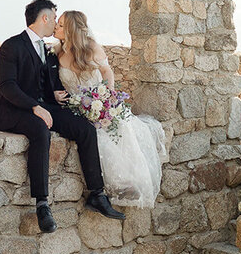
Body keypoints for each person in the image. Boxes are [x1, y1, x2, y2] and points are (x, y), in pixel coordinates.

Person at [0, 0, 126, 234]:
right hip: (14, 111)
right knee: (40, 129)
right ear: (45, 17)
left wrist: (53, 94)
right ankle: (42, 204)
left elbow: (47, 82)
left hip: (44, 106)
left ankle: (97, 194)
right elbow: (7, 86)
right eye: (55, 17)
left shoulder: (48, 50)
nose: (56, 23)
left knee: (85, 128)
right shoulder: (12, 46)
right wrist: (35, 106)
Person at [53, 10, 167, 209]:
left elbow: (106, 71)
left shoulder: (91, 48)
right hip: (77, 107)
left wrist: (107, 96)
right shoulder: (57, 52)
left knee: (113, 134)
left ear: (71, 29)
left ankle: (124, 185)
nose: (56, 27)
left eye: (61, 25)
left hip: (100, 103)